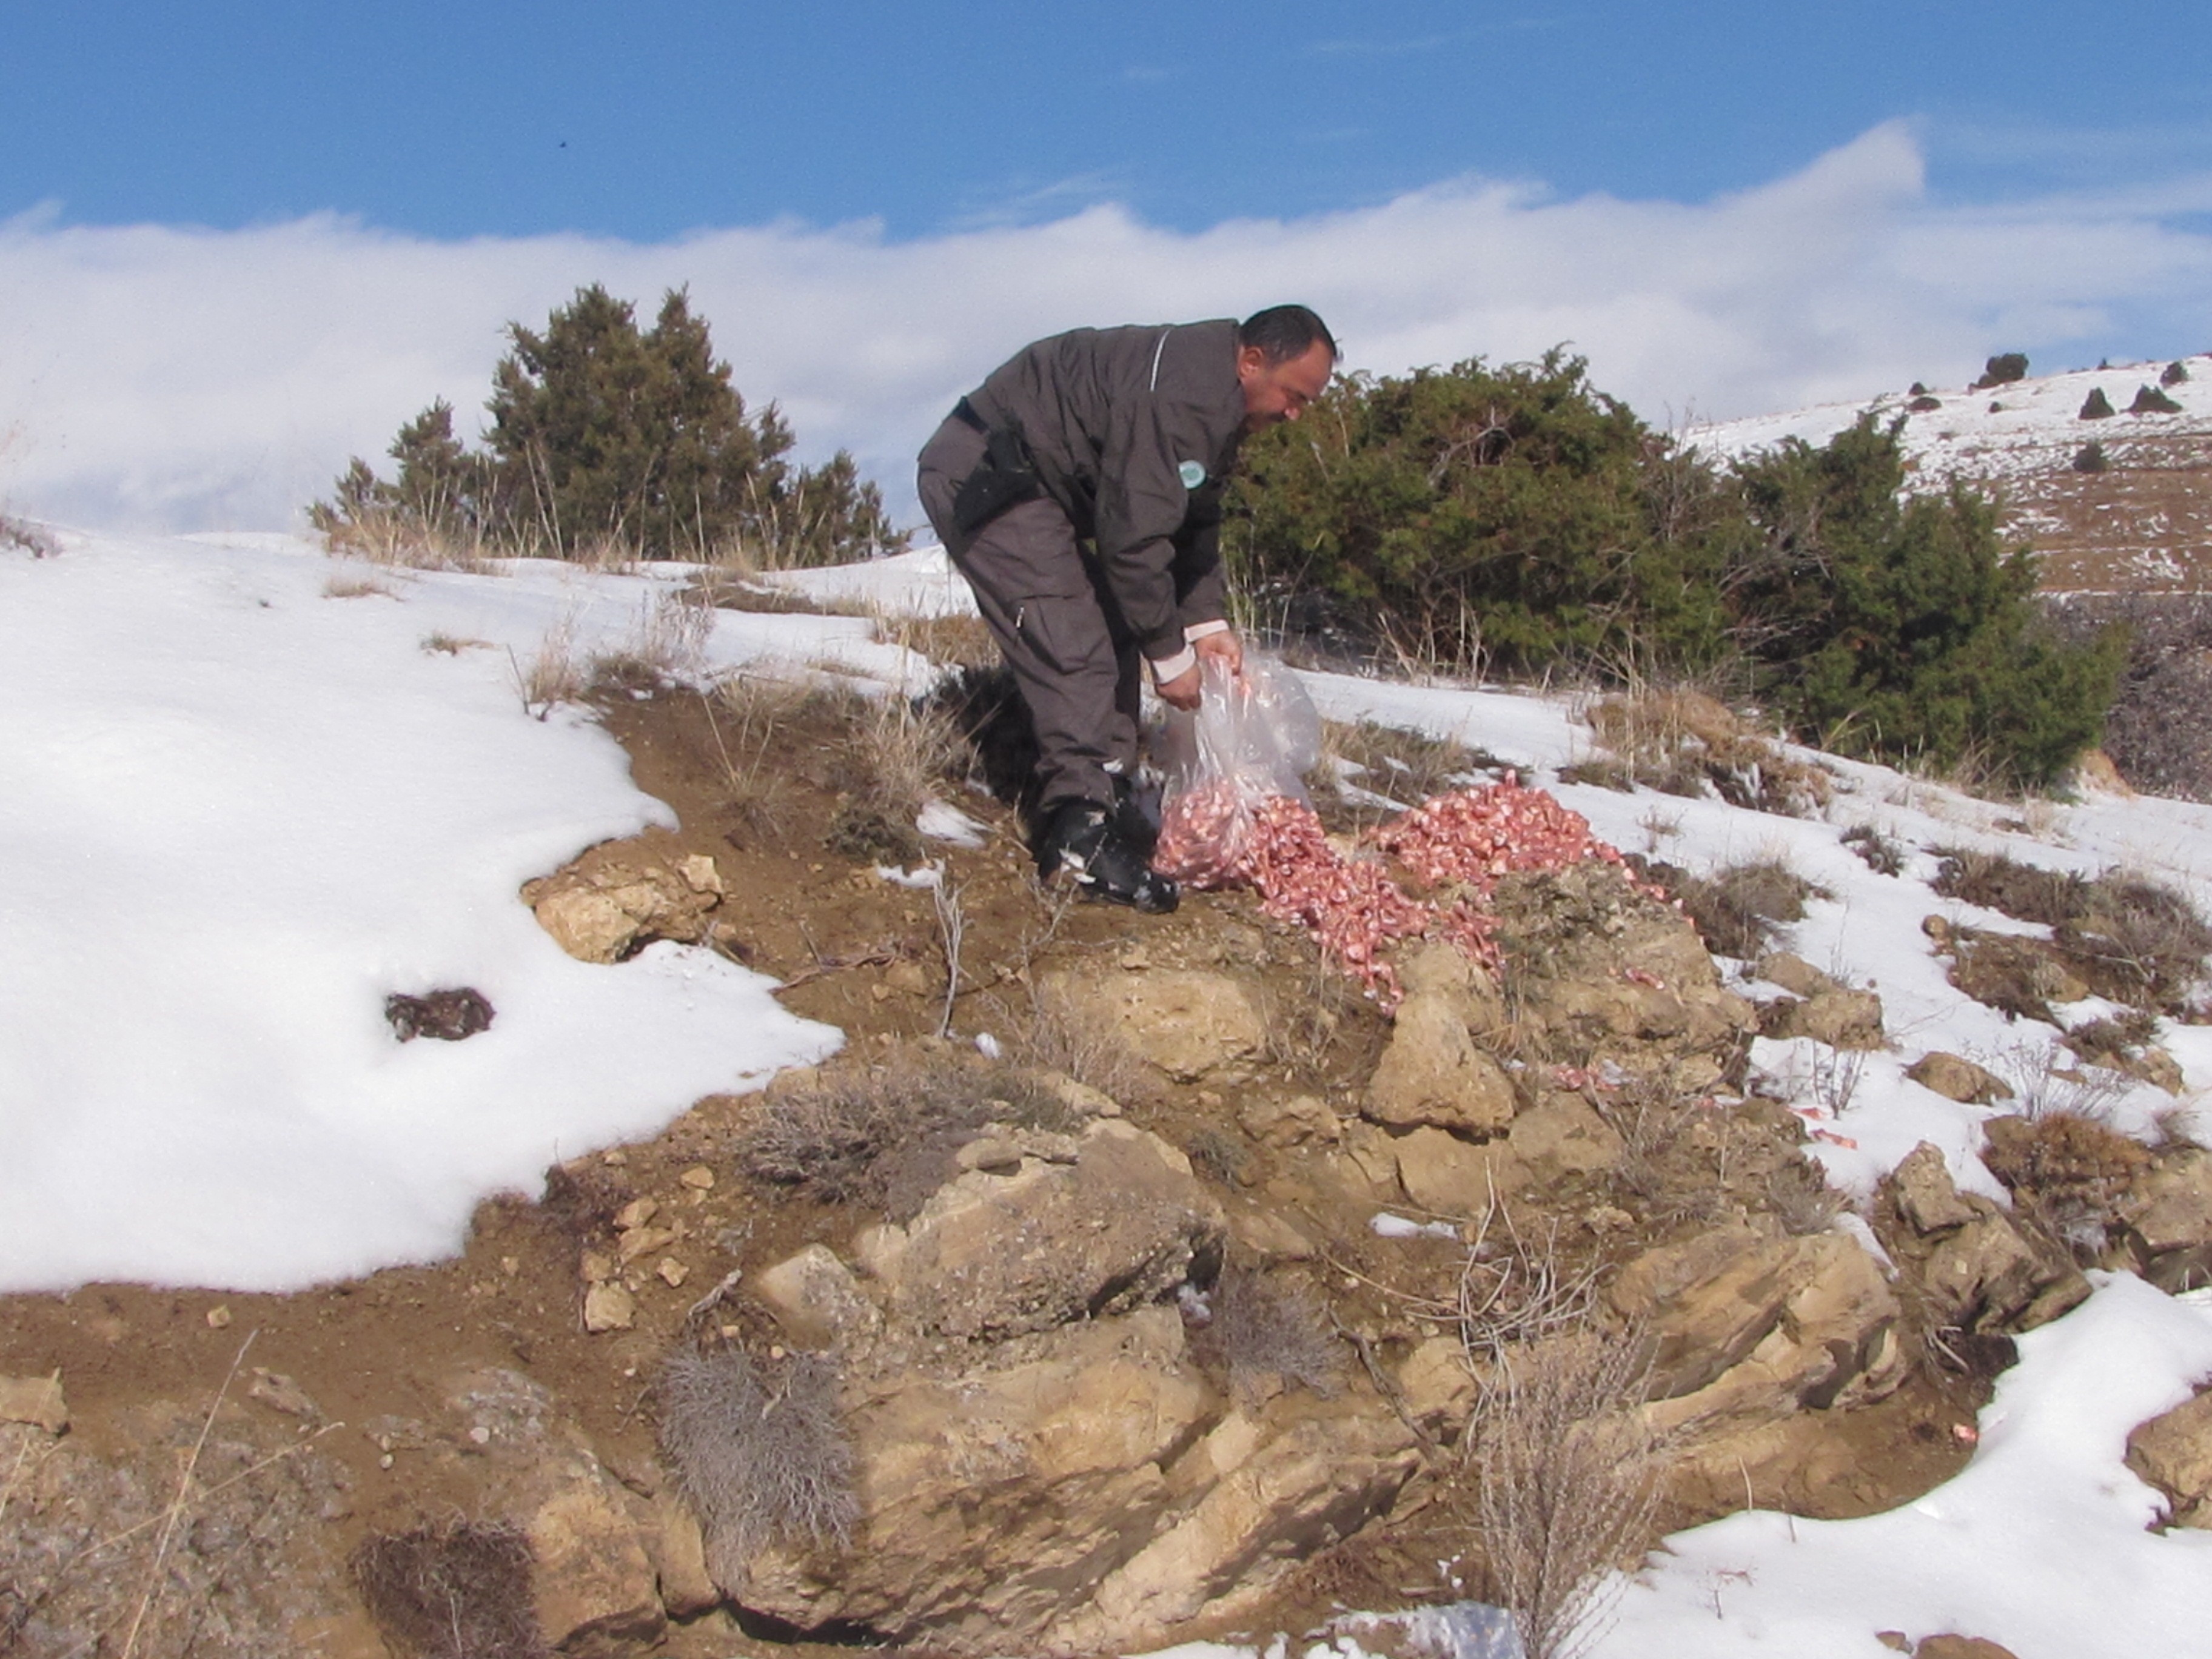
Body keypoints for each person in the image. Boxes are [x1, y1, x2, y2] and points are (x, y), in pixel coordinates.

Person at [916, 304, 1337, 911]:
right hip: (986, 471)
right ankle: (1077, 839)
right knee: (1073, 636)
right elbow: (1134, 540)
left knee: (1113, 625)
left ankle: (1106, 795)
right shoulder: (1185, 398)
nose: (1295, 414)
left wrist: (1206, 623)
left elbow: (1192, 516)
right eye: (1294, 396)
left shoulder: (1218, 401)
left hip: (1038, 483)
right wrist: (1170, 658)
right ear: (1251, 362)